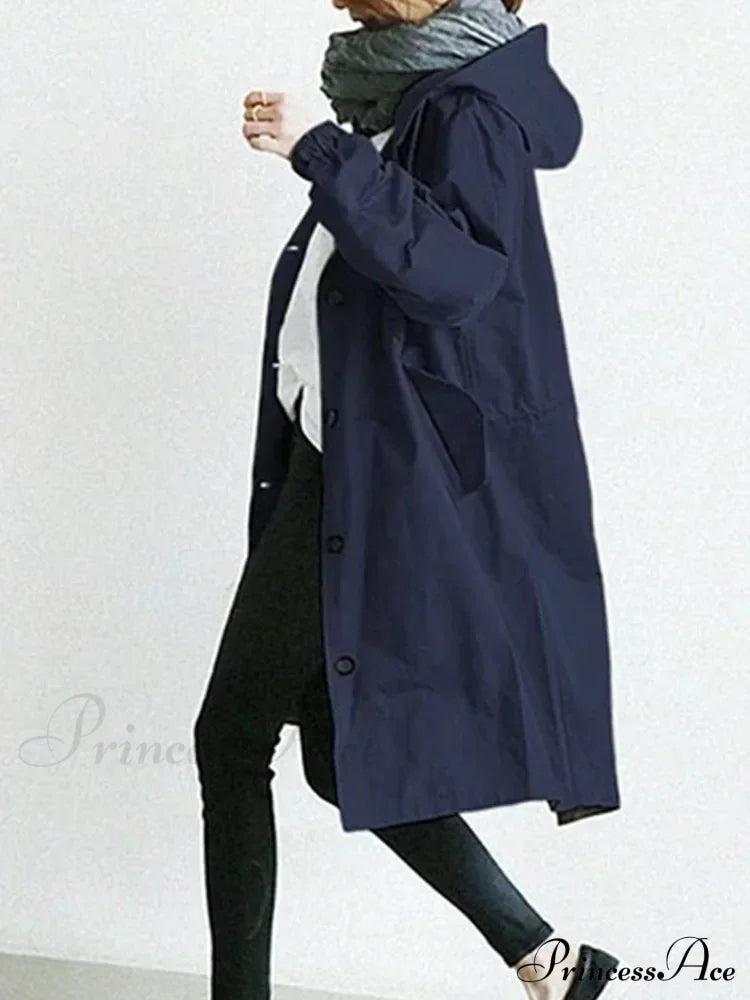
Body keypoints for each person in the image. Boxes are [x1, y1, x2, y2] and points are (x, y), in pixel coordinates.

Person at [193, 1, 623, 998]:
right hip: (337, 452)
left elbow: (458, 274)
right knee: (337, 754)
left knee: (232, 738)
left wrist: (320, 151)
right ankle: (551, 963)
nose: (338, 2)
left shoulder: (468, 109)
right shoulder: (414, 97)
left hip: (370, 468)